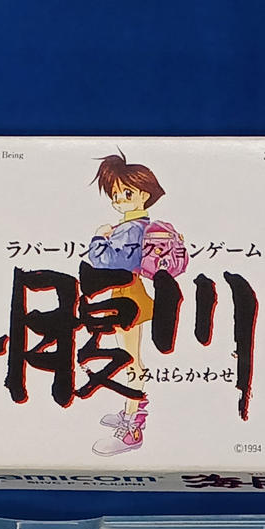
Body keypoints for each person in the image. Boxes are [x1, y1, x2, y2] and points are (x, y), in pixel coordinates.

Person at [84, 152, 168, 455]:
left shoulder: (131, 228)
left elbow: (109, 261)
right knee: (130, 357)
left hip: (128, 296)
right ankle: (129, 412)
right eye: (115, 195)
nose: (119, 200)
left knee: (131, 360)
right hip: (128, 294)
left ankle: (133, 429)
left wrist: (98, 239)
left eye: (126, 193)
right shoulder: (133, 225)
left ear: (145, 194)